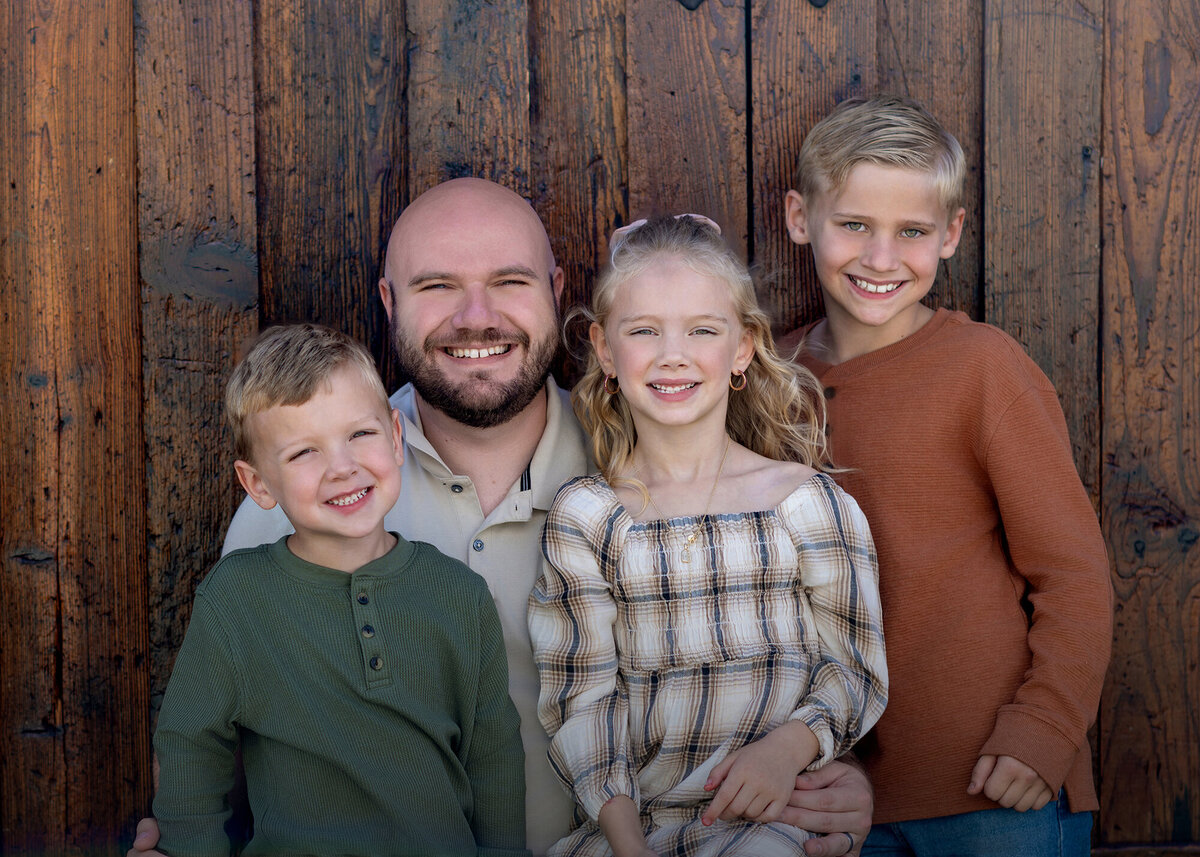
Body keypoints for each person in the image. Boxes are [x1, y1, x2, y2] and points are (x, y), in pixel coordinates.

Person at [131, 177, 875, 857]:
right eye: (438, 286)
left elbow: (796, 657)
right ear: (390, 303)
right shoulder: (308, 496)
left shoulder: (646, 476)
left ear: (556, 292)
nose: (476, 317)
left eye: (509, 282)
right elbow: (210, 738)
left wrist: (833, 778)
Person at [778, 94, 1113, 856]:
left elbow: (1073, 574)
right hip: (831, 796)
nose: (881, 257)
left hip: (995, 784)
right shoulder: (769, 378)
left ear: (951, 234)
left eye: (913, 232)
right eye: (855, 224)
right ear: (801, 218)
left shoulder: (983, 369)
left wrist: (1046, 728)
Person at [528, 215, 888, 856]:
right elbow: (584, 702)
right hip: (632, 830)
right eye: (643, 331)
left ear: (744, 347)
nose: (673, 353)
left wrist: (786, 750)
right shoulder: (587, 516)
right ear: (606, 351)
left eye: (702, 330)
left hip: (771, 819)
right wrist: (628, 844)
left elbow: (854, 668)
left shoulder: (807, 504)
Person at [152, 323, 528, 856]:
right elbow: (192, 746)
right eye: (304, 452)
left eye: (360, 435)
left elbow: (494, 760)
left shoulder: (459, 594)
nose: (343, 468)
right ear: (258, 484)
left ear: (396, 439)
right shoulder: (237, 600)